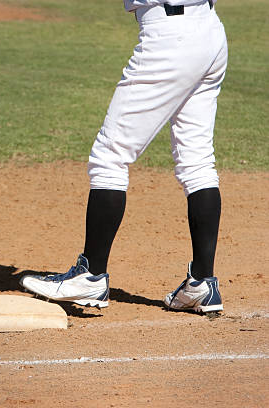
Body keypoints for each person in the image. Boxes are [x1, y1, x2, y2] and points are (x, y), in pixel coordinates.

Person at [20, 0, 227, 314]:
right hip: (210, 31)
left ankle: (91, 275)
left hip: (171, 37)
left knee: (110, 156)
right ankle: (201, 283)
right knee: (197, 162)